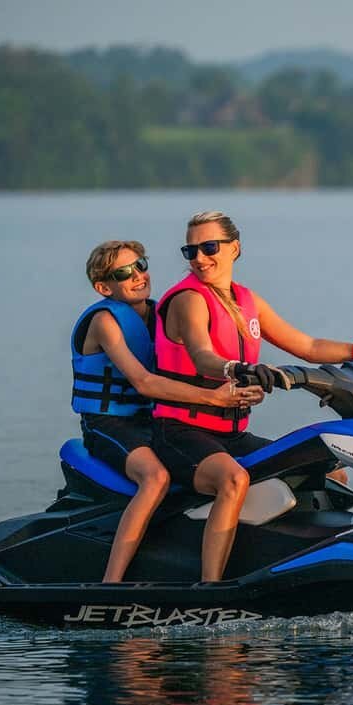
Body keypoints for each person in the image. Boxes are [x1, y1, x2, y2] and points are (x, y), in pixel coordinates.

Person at [152, 211, 353, 582]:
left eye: (209, 247)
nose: (199, 258)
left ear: (234, 248)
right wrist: (237, 368)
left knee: (329, 470)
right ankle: (210, 586)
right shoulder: (190, 300)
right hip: (180, 433)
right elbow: (202, 356)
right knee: (232, 480)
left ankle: (310, 564)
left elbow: (308, 346)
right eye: (191, 251)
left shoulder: (246, 301)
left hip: (231, 435)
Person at [72, 240, 263, 583]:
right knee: (155, 477)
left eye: (141, 265)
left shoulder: (161, 313)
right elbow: (144, 382)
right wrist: (214, 399)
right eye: (124, 273)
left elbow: (195, 364)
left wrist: (242, 387)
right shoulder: (105, 322)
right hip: (109, 423)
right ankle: (111, 583)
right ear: (104, 287)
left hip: (155, 420)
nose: (138, 276)